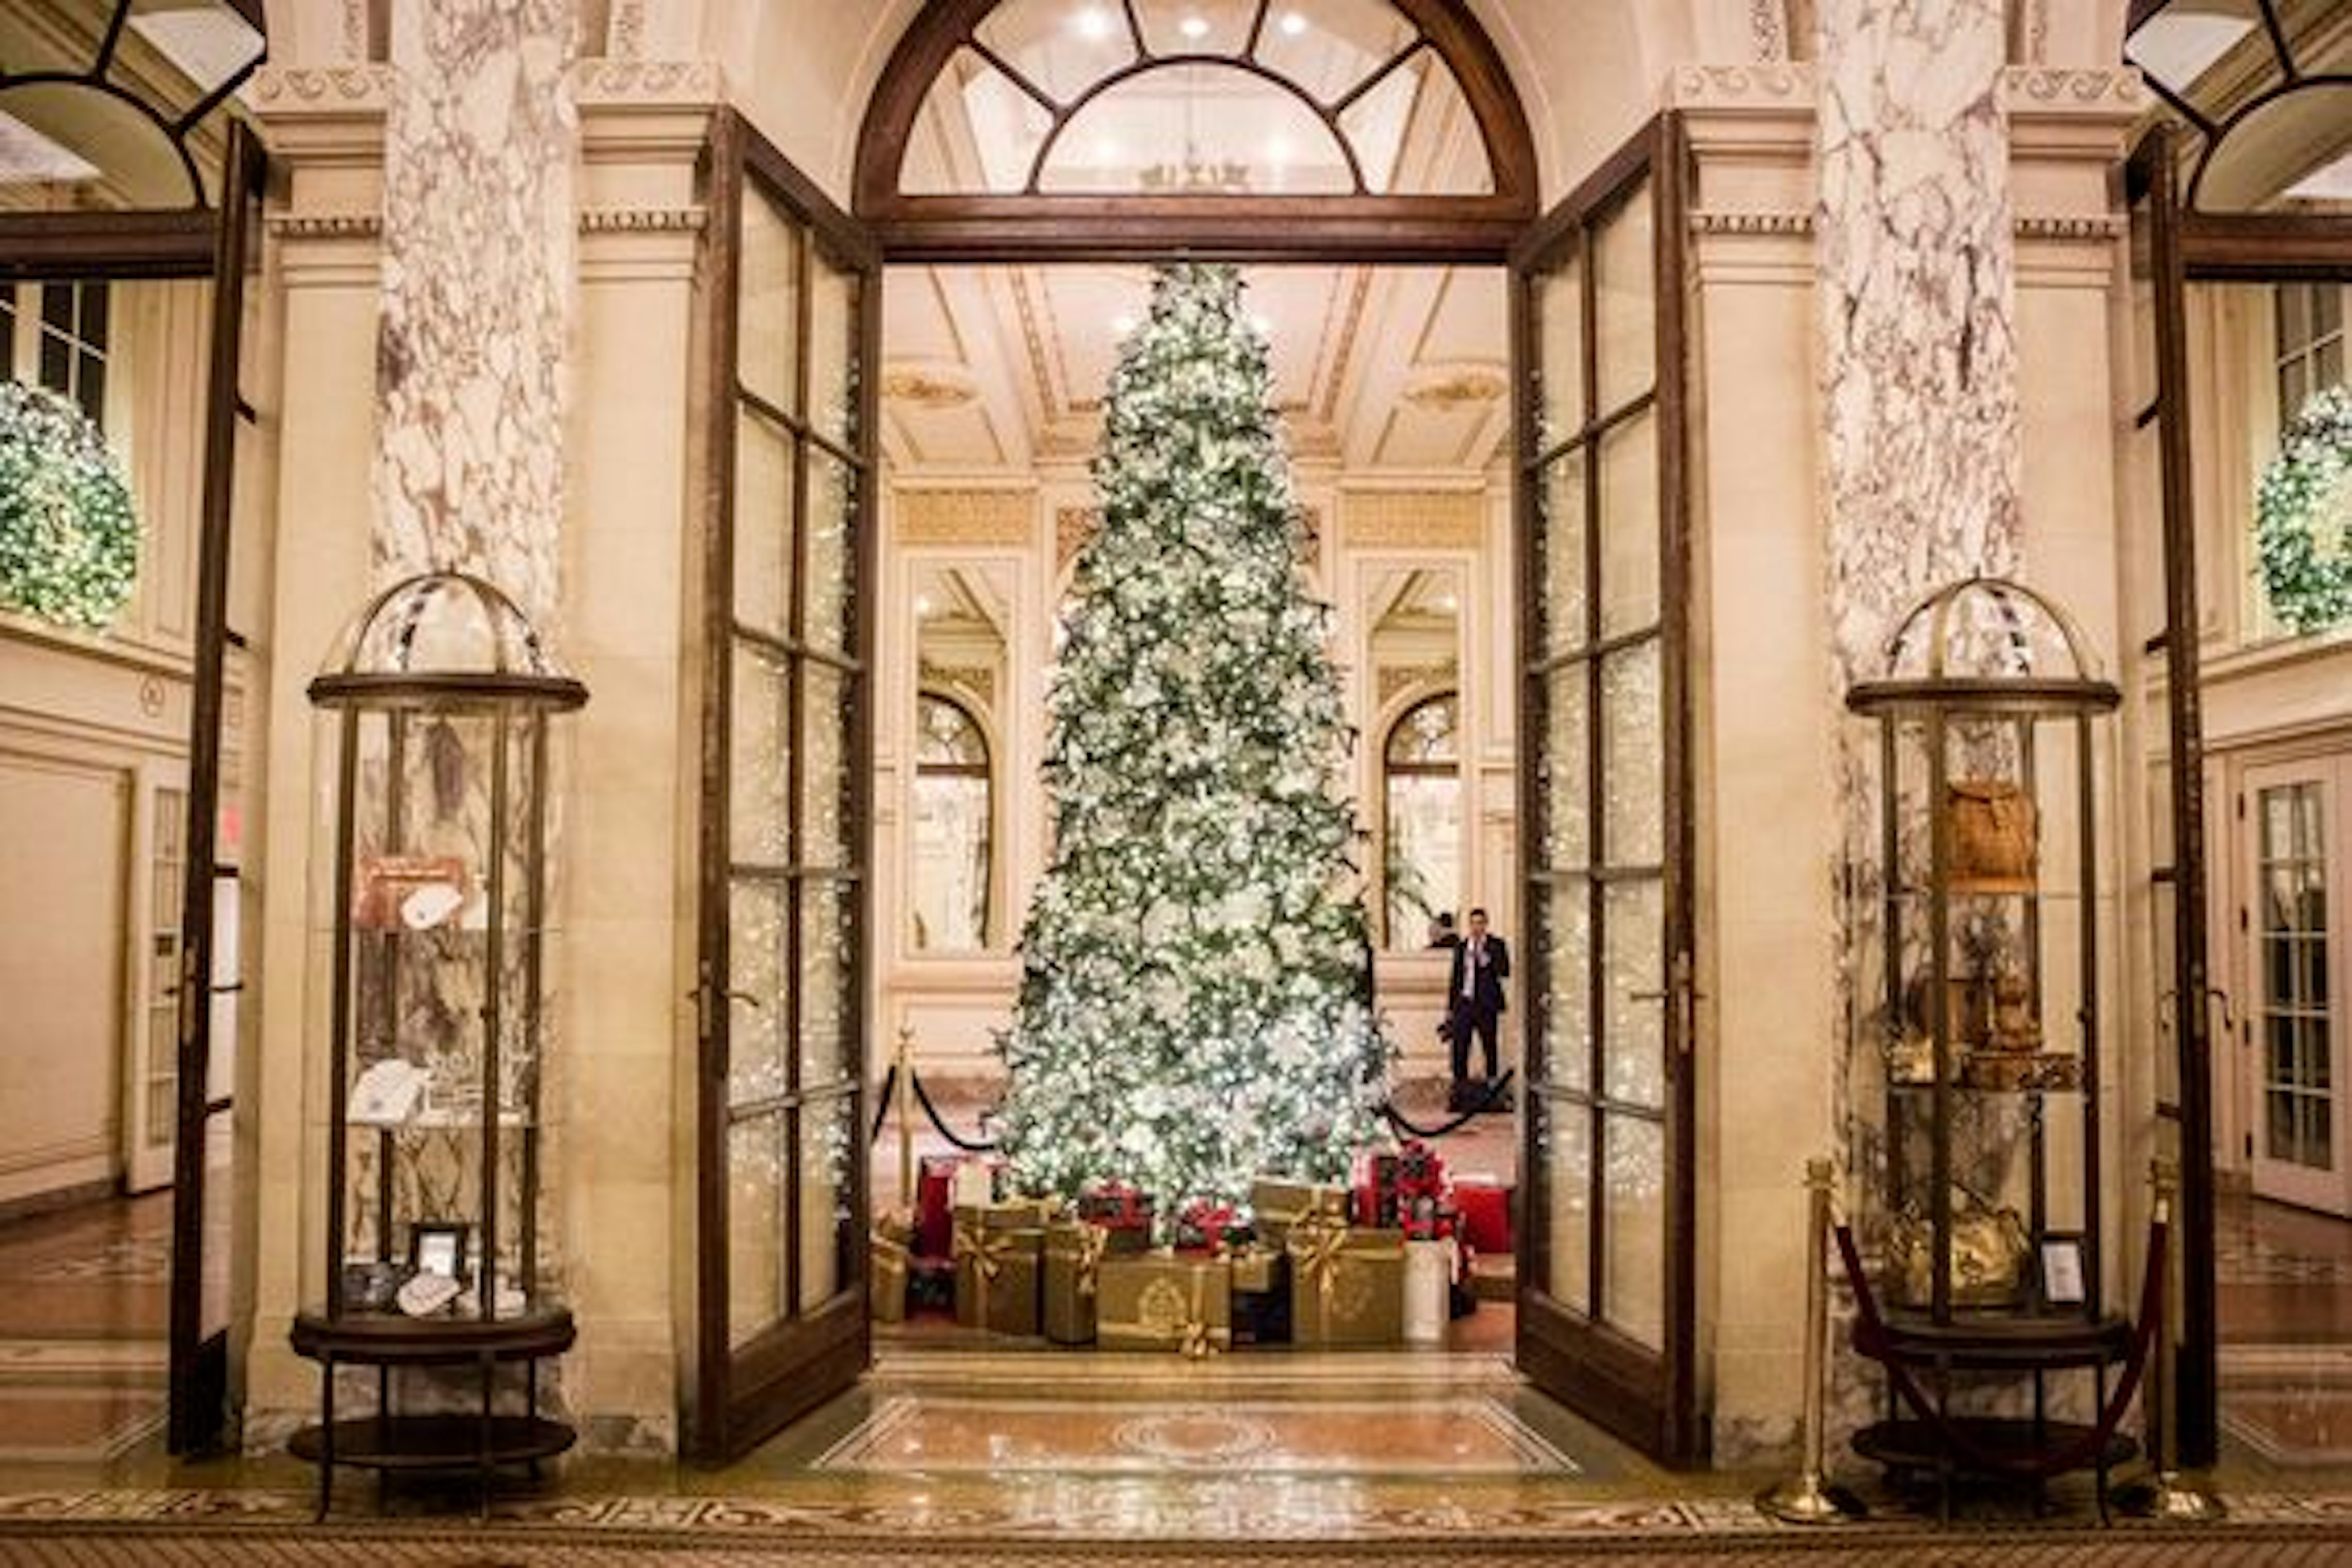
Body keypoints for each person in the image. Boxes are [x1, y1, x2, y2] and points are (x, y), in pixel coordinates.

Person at [1446, 907, 1510, 1099]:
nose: (1477, 928)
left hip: (1486, 1005)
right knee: (1461, 1046)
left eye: (1480, 923)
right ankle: (1460, 1085)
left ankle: (1492, 1084)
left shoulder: (1496, 945)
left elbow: (1505, 971)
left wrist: (1486, 958)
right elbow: (1455, 978)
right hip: (1464, 1003)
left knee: (1489, 1045)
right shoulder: (1462, 947)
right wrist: (1451, 1007)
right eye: (1473, 923)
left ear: (1486, 924)